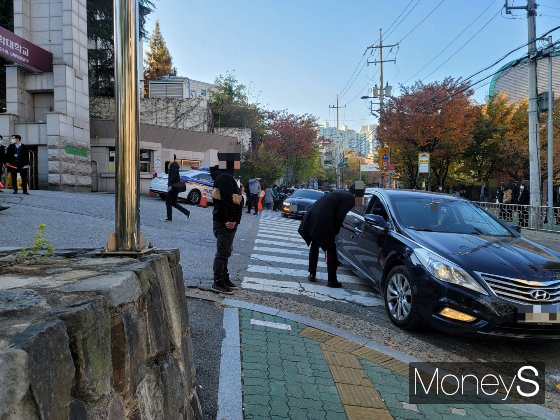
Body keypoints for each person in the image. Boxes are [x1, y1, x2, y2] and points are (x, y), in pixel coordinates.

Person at [298, 187, 355, 288]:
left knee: (314, 245)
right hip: (323, 220)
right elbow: (339, 216)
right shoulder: (350, 198)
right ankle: (332, 280)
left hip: (312, 215)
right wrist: (334, 231)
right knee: (331, 250)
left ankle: (312, 274)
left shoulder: (339, 192)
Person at [210, 165, 243, 294]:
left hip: (223, 219)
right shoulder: (225, 177)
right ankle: (218, 281)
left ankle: (224, 278)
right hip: (225, 221)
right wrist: (232, 218)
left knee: (225, 251)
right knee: (223, 252)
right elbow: (228, 200)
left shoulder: (223, 176)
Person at [162, 155, 190, 222]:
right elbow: (168, 173)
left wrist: (170, 186)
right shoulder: (172, 165)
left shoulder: (174, 165)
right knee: (173, 203)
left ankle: (169, 218)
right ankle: (186, 212)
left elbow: (173, 177)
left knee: (168, 202)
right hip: (174, 187)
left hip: (173, 187)